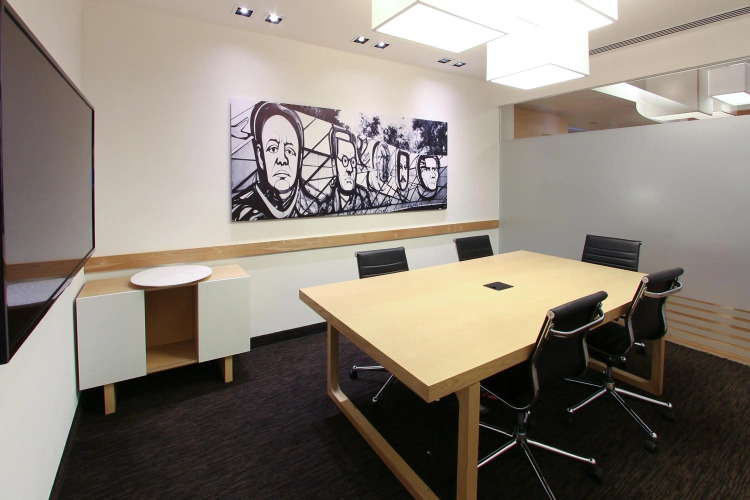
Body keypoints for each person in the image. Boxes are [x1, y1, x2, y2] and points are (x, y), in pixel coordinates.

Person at [232, 101, 304, 220]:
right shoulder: (239, 213)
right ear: (260, 156)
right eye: (273, 148)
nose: (282, 160)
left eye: (289, 151)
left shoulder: (313, 206)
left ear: (299, 159)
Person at [320, 126, 370, 214]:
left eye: (353, 162)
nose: (350, 169)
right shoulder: (326, 205)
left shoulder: (363, 196)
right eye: (345, 161)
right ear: (334, 166)